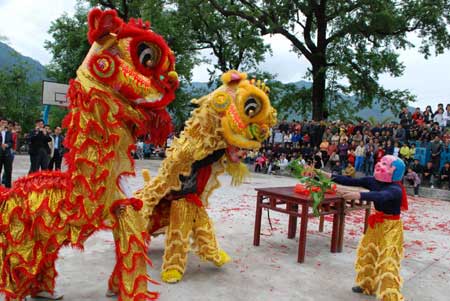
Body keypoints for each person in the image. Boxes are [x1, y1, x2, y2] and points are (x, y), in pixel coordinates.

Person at [326, 155, 407, 301]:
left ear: (395, 171)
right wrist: (327, 175)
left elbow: (381, 196)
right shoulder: (373, 181)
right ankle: (367, 285)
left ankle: (390, 296)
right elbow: (351, 180)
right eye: (380, 162)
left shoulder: (396, 189)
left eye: (385, 164)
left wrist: (358, 194)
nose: (379, 165)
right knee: (369, 253)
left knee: (388, 261)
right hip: (376, 224)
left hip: (391, 228)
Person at [0, 117, 13, 188]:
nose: (4, 124)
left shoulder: (8, 133)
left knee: (8, 170)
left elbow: (11, 142)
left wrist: (7, 145)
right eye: (2, 122)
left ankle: (8, 187)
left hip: (7, 154)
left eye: (5, 123)